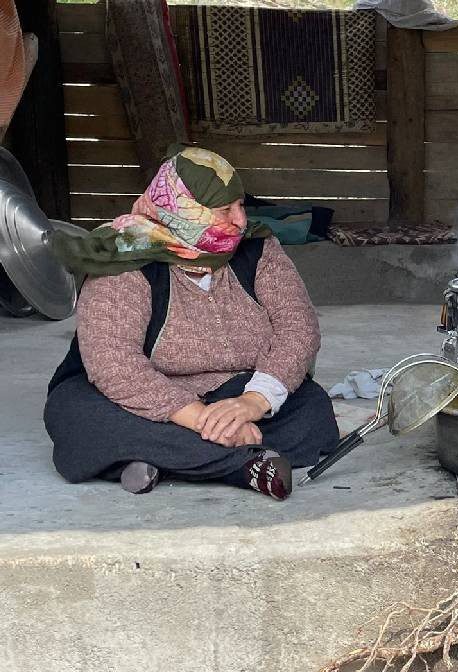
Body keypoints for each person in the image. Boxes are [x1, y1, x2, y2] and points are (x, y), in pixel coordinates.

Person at [44, 146, 339, 500]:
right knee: (79, 417)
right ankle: (243, 465)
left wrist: (253, 402)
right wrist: (203, 420)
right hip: (135, 399)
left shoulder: (258, 249)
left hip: (233, 389)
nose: (240, 221)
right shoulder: (125, 258)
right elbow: (113, 363)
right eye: (224, 210)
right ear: (183, 211)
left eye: (241, 206)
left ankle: (152, 459)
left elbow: (299, 327)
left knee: (311, 409)